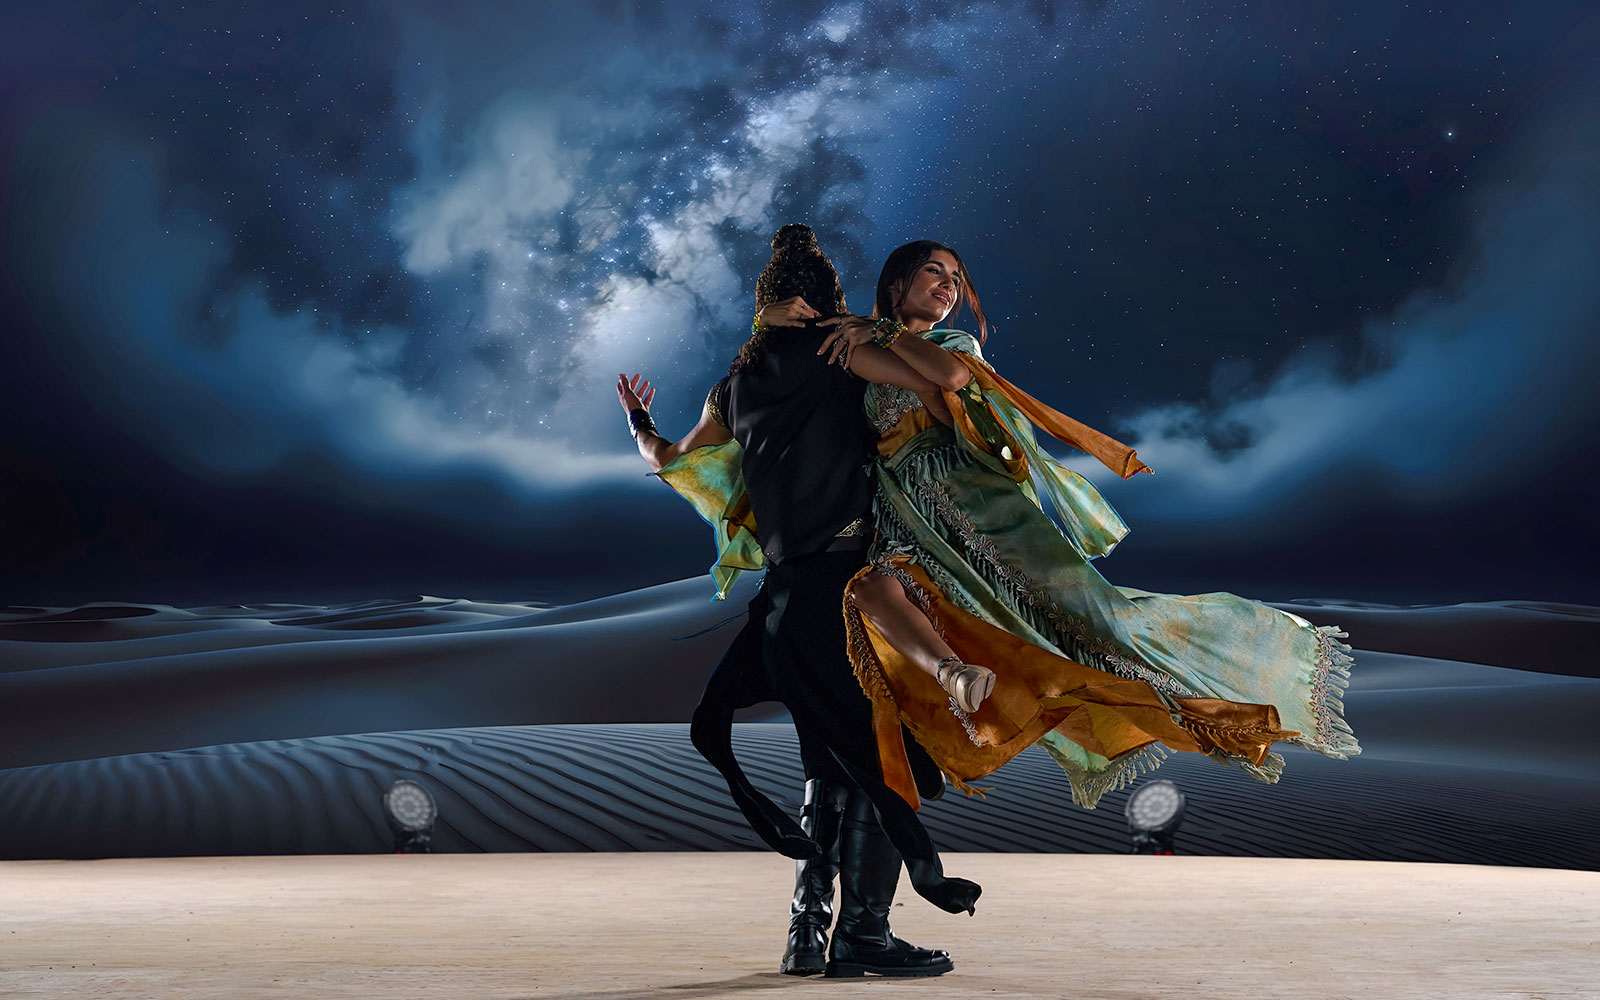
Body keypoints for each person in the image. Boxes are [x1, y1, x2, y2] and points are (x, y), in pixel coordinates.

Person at [818, 240, 1359, 810]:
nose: (950, 284)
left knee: (1093, 623)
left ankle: (1219, 711)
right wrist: (788, 322)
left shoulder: (952, 341)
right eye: (935, 271)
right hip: (906, 513)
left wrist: (884, 336)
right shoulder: (860, 347)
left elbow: (949, 376)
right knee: (876, 590)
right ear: (896, 282)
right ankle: (955, 677)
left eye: (957, 277)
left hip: (980, 503)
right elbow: (867, 370)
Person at [616, 224, 974, 979]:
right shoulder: (843, 356)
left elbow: (670, 461)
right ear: (824, 302)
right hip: (847, 590)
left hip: (781, 601)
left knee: (832, 761)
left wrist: (639, 423)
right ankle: (863, 937)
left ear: (766, 304)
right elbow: (944, 381)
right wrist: (870, 333)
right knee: (883, 761)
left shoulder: (733, 384)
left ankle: (807, 931)